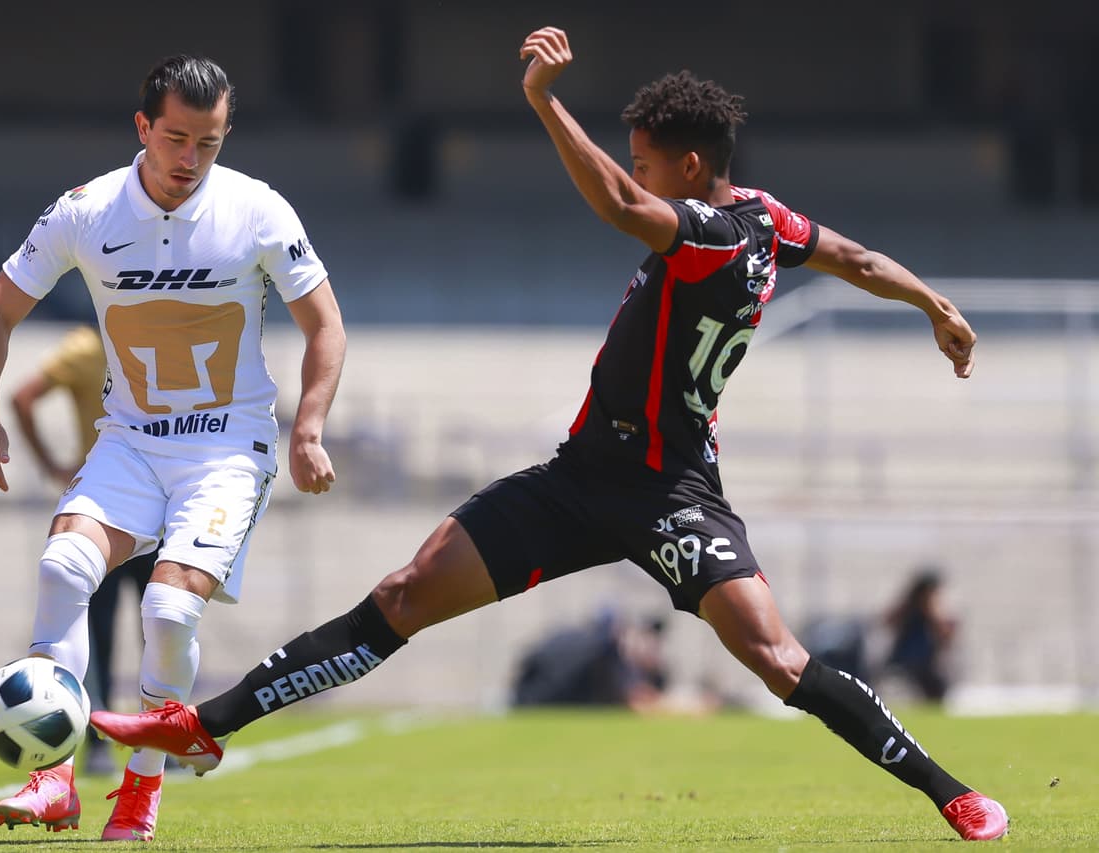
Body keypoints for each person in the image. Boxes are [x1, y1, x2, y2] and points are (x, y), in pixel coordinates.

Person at [90, 28, 1007, 842]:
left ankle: (952, 794)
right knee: (407, 593)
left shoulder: (713, 236)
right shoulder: (768, 220)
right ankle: (204, 724)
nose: (635, 170)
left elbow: (615, 204)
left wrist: (543, 101)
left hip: (670, 493)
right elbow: (855, 256)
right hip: (580, 479)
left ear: (688, 169)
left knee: (778, 659)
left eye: (645, 159)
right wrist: (933, 301)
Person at [0, 54, 346, 842]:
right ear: (143, 127)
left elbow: (326, 326)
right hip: (130, 441)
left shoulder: (258, 210)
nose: (189, 160)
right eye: (175, 138)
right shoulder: (87, 210)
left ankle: (140, 794)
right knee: (62, 564)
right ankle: (53, 779)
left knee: (170, 608)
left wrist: (307, 425)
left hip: (227, 449)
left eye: (207, 143)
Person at [10, 325, 157, 776]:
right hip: (119, 506)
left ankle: (134, 742)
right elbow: (23, 397)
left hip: (128, 503)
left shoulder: (97, 344)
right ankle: (110, 742)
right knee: (115, 633)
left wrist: (55, 466)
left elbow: (22, 398)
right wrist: (53, 464)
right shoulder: (92, 346)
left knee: (150, 626)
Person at [511, 610, 668, 710]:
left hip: (529, 698)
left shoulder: (575, 638)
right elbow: (629, 698)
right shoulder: (601, 648)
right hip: (546, 703)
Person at [882, 567, 959, 703]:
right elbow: (887, 621)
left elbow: (947, 633)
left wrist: (931, 609)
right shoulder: (907, 609)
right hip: (906, 661)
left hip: (927, 663)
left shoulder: (933, 611)